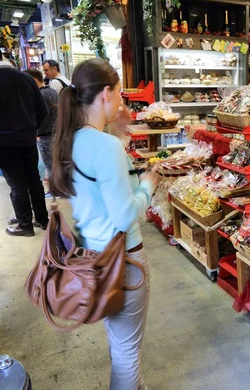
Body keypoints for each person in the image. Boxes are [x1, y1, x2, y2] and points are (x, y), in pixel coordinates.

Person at [49, 58, 159, 390]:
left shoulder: (70, 139)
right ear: (105, 94)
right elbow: (125, 215)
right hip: (124, 261)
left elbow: (98, 188)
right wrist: (148, 185)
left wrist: (119, 142)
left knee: (119, 342)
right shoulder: (105, 146)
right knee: (127, 353)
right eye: (120, 95)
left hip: (93, 258)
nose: (122, 103)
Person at [0, 52, 49, 236]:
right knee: (33, 179)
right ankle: (42, 219)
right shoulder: (27, 78)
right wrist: (32, 129)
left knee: (16, 184)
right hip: (28, 139)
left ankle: (25, 224)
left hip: (4, 142)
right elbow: (42, 111)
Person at [25, 68, 59, 197]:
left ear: (33, 80)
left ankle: (54, 192)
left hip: (45, 135)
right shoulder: (52, 91)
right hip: (55, 133)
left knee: (50, 165)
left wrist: (36, 131)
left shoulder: (39, 95)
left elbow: (41, 115)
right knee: (55, 165)